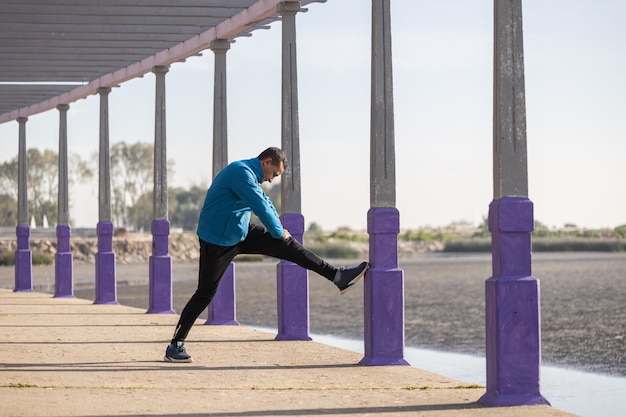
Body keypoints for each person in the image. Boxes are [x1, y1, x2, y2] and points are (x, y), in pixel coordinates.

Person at [164, 147, 369, 363]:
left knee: (290, 247)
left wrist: (280, 232)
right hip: (216, 241)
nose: (272, 180)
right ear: (267, 162)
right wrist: (278, 233)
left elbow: (267, 202)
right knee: (205, 293)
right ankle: (175, 345)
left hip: (240, 232)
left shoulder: (252, 175)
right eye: (274, 174)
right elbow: (260, 205)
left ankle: (338, 277)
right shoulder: (240, 172)